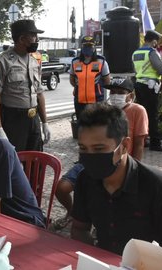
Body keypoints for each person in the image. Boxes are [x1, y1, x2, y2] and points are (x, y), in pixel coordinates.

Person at [70, 103, 162, 262]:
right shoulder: (85, 180)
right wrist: (95, 259)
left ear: (124, 146)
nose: (89, 156)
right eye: (83, 148)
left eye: (99, 149)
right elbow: (79, 230)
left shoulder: (159, 188)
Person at [52, 78, 148, 230]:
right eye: (113, 92)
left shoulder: (138, 111)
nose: (116, 95)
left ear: (130, 95)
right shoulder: (103, 111)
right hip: (88, 163)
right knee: (61, 188)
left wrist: (134, 169)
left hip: (118, 163)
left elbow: (139, 143)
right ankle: (72, 213)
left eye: (120, 92)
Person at [0, 19, 50, 152]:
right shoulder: (2, 61)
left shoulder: (34, 61)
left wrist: (44, 122)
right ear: (22, 39)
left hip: (33, 119)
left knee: (35, 158)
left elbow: (39, 94)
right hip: (13, 120)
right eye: (33, 36)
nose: (36, 39)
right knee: (15, 161)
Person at [132, 30, 162, 152]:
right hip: (150, 86)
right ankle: (155, 143)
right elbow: (160, 70)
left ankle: (143, 140)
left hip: (139, 85)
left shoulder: (136, 52)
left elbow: (135, 69)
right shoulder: (152, 52)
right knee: (152, 115)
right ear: (153, 41)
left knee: (142, 114)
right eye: (156, 42)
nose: (157, 44)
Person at [69, 35, 111, 119]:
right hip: (80, 102)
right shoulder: (75, 62)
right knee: (82, 126)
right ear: (81, 47)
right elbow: (72, 80)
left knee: (97, 125)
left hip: (97, 102)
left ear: (94, 47)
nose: (88, 48)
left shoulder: (101, 62)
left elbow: (107, 81)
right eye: (85, 46)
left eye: (90, 46)